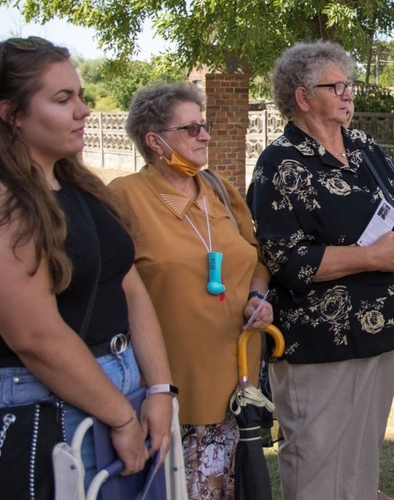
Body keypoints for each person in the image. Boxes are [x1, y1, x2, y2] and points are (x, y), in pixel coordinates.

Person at [0, 36, 174, 487]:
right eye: (63, 99)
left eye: (79, 95)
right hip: (35, 400)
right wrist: (120, 418)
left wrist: (158, 389)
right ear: (10, 113)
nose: (84, 110)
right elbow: (36, 336)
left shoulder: (78, 187)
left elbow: (129, 286)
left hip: (116, 386)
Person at [246, 40, 394, 500]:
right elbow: (283, 259)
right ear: (303, 97)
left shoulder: (365, 146)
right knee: (316, 462)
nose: (349, 94)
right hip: (321, 344)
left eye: (349, 84)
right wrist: (372, 257)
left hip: (384, 332)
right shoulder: (279, 164)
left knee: (360, 459)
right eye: (337, 86)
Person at [110, 82, 273, 499]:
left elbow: (257, 258)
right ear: (156, 142)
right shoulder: (124, 197)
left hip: (236, 387)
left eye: (205, 126)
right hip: (169, 393)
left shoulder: (218, 190)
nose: (205, 135)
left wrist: (258, 296)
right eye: (191, 128)